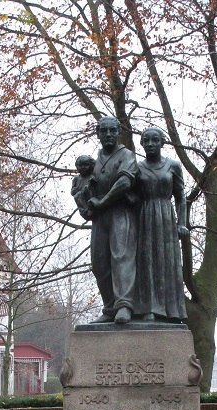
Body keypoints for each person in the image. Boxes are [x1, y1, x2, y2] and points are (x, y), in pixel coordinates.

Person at [83, 117, 139, 324]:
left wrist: (104, 200)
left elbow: (124, 181)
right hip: (99, 217)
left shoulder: (126, 155)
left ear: (118, 133)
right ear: (98, 133)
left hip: (120, 213)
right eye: (104, 131)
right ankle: (109, 308)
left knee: (121, 257)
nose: (108, 134)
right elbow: (85, 186)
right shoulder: (94, 160)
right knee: (99, 262)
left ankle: (124, 305)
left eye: (112, 131)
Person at [135, 127, 188, 322]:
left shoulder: (173, 165)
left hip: (166, 216)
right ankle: (149, 307)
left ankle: (172, 310)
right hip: (144, 216)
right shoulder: (137, 167)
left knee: (168, 262)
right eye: (146, 140)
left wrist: (182, 223)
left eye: (154, 140)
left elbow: (181, 197)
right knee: (147, 261)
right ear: (142, 144)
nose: (150, 144)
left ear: (162, 143)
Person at [71, 155, 95, 221]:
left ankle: (90, 209)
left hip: (93, 198)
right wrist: (75, 190)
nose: (83, 167)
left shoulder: (93, 176)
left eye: (86, 165)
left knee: (87, 189)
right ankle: (86, 210)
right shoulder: (76, 179)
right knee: (77, 195)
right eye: (80, 165)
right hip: (82, 202)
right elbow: (72, 191)